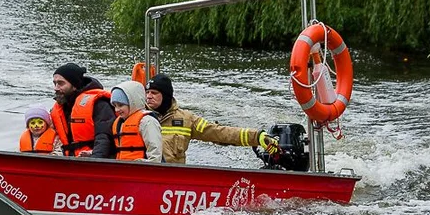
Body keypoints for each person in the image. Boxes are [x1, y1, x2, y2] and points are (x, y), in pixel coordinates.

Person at [144, 73, 279, 164]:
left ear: (167, 96)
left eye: (154, 93)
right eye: (147, 92)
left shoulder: (186, 120)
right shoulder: (138, 117)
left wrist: (256, 137)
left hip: (173, 183)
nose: (149, 96)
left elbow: (219, 133)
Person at [50, 62, 115, 158]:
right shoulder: (60, 107)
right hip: (69, 160)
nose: (56, 88)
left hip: (92, 160)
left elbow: (104, 138)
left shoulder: (99, 104)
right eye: (54, 83)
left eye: (60, 83)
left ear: (74, 85)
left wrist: (94, 161)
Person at [109, 80, 162, 162]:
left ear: (133, 102)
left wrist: (142, 164)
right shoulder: (119, 123)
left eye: (121, 105)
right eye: (114, 105)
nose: (117, 109)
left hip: (141, 170)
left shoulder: (147, 122)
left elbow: (155, 155)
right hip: (123, 169)